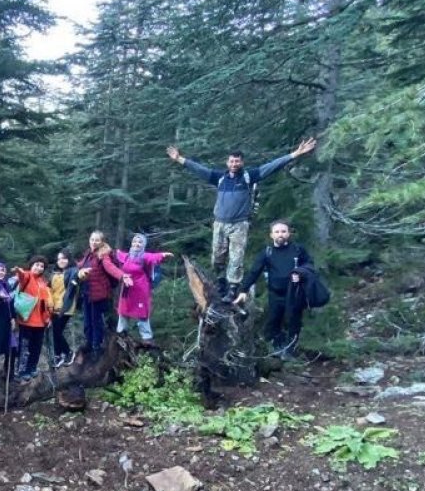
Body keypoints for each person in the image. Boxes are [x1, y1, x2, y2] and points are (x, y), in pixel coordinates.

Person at [167, 137, 316, 300]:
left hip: (239, 225)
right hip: (220, 224)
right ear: (227, 162)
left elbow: (272, 166)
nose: (234, 164)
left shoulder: (248, 177)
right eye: (231, 161)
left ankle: (232, 288)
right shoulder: (220, 178)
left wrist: (295, 154)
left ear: (242, 162)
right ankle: (221, 281)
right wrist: (180, 159)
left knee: (236, 258)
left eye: (237, 161)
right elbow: (199, 169)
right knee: (217, 256)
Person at [234, 220, 314, 357]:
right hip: (275, 294)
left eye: (283, 231)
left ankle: (290, 351)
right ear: (271, 235)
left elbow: (310, 266)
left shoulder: (298, 250)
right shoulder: (267, 252)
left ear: (289, 233)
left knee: (294, 322)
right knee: (274, 321)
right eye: (277, 232)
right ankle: (275, 349)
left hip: (295, 293)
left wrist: (300, 275)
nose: (280, 234)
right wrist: (243, 290)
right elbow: (254, 272)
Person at [114, 233, 174, 346]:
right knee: (123, 311)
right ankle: (121, 333)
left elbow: (154, 257)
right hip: (127, 288)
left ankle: (146, 337)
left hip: (141, 290)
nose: (137, 244)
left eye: (140, 242)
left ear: (143, 245)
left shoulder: (144, 256)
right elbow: (117, 254)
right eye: (135, 242)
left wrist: (163, 255)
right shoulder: (127, 256)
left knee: (142, 313)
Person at [77, 231, 125, 361]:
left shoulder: (103, 254)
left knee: (96, 322)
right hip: (87, 294)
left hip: (98, 295)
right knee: (87, 322)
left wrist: (122, 275)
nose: (94, 242)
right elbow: (79, 265)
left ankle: (96, 348)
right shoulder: (89, 254)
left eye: (97, 240)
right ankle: (90, 343)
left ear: (102, 241)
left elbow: (110, 268)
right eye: (92, 239)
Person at [12, 256, 53, 380]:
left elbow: (45, 303)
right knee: (24, 347)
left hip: (40, 322)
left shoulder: (43, 282)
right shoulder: (27, 276)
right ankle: (22, 371)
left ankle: (32, 368)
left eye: (42, 266)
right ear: (31, 265)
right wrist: (19, 271)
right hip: (26, 320)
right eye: (37, 265)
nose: (39, 268)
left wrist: (48, 318)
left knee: (36, 347)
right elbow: (22, 277)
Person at [48, 250, 78, 367]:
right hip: (54, 307)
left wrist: (83, 274)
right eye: (59, 259)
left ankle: (67, 352)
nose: (61, 261)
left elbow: (79, 278)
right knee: (55, 332)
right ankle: (59, 355)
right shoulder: (55, 274)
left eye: (64, 258)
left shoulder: (73, 271)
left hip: (65, 307)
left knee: (57, 331)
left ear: (69, 259)